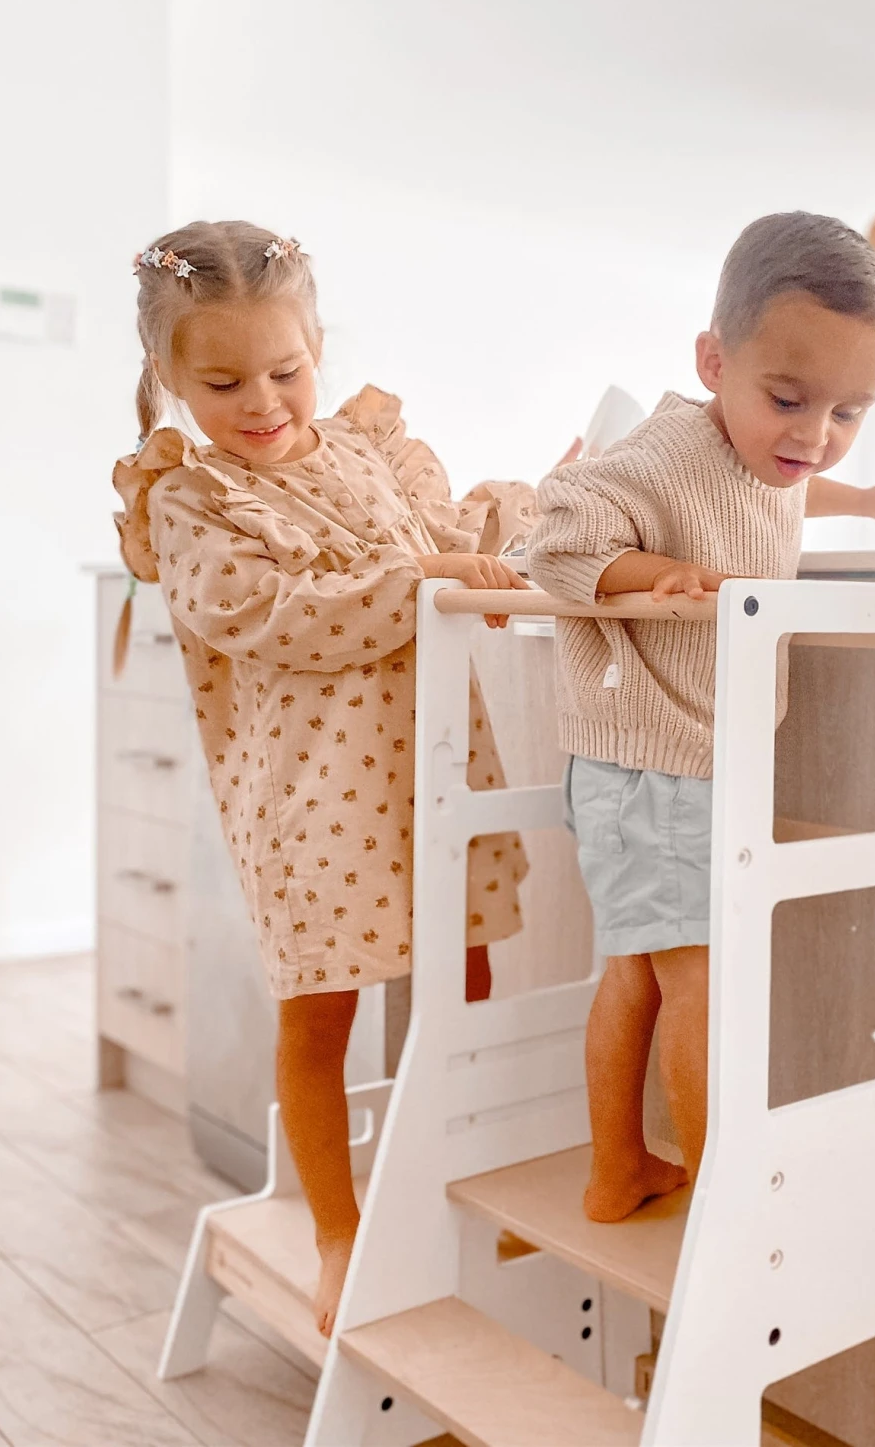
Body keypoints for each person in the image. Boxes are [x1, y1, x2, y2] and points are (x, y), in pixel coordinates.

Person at [113, 221, 550, 1333]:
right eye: (222, 380)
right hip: (314, 802)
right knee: (318, 1016)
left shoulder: (373, 453)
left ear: (318, 348)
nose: (263, 402)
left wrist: (548, 502)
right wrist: (425, 574)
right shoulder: (191, 501)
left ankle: (444, 1175)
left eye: (286, 370)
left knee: (465, 981)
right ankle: (339, 1227)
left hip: (438, 771)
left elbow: (458, 531)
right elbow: (277, 615)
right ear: (171, 377)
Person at [527, 211, 875, 1221]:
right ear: (714, 361)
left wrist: (868, 499)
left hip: (673, 759)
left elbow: (777, 491)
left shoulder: (765, 451)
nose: (813, 434)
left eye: (850, 411)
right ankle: (721, 1204)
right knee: (697, 976)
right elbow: (556, 536)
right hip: (657, 765)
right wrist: (656, 575)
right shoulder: (666, 450)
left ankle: (618, 1166)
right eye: (789, 398)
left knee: (644, 972)